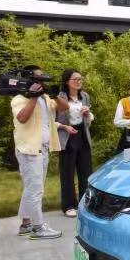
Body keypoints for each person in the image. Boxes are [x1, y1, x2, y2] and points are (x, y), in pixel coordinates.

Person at [11, 65, 69, 239]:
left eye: (42, 77)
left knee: (33, 188)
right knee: (35, 190)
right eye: (38, 78)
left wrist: (54, 94)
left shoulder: (45, 98)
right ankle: (38, 227)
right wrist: (33, 97)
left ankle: (26, 224)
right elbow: (22, 118)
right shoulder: (19, 98)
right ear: (28, 80)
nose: (41, 80)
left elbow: (64, 108)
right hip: (29, 149)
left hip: (42, 148)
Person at [56, 69, 93, 218]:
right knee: (67, 172)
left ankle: (85, 203)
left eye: (80, 79)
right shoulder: (59, 97)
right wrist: (64, 127)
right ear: (67, 81)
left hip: (82, 134)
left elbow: (88, 121)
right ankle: (69, 205)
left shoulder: (84, 96)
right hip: (67, 135)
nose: (79, 81)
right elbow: (52, 120)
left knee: (86, 171)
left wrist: (87, 114)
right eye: (75, 79)